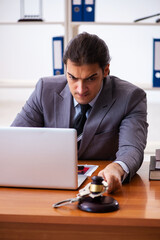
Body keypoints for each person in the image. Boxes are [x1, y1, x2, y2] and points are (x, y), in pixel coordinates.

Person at [11, 32, 148, 193]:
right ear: (65, 70)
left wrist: (117, 168)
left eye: (90, 78)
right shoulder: (44, 90)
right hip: (49, 184)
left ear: (105, 71)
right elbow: (15, 140)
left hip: (99, 187)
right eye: (73, 77)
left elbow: (132, 148)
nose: (80, 89)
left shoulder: (130, 97)